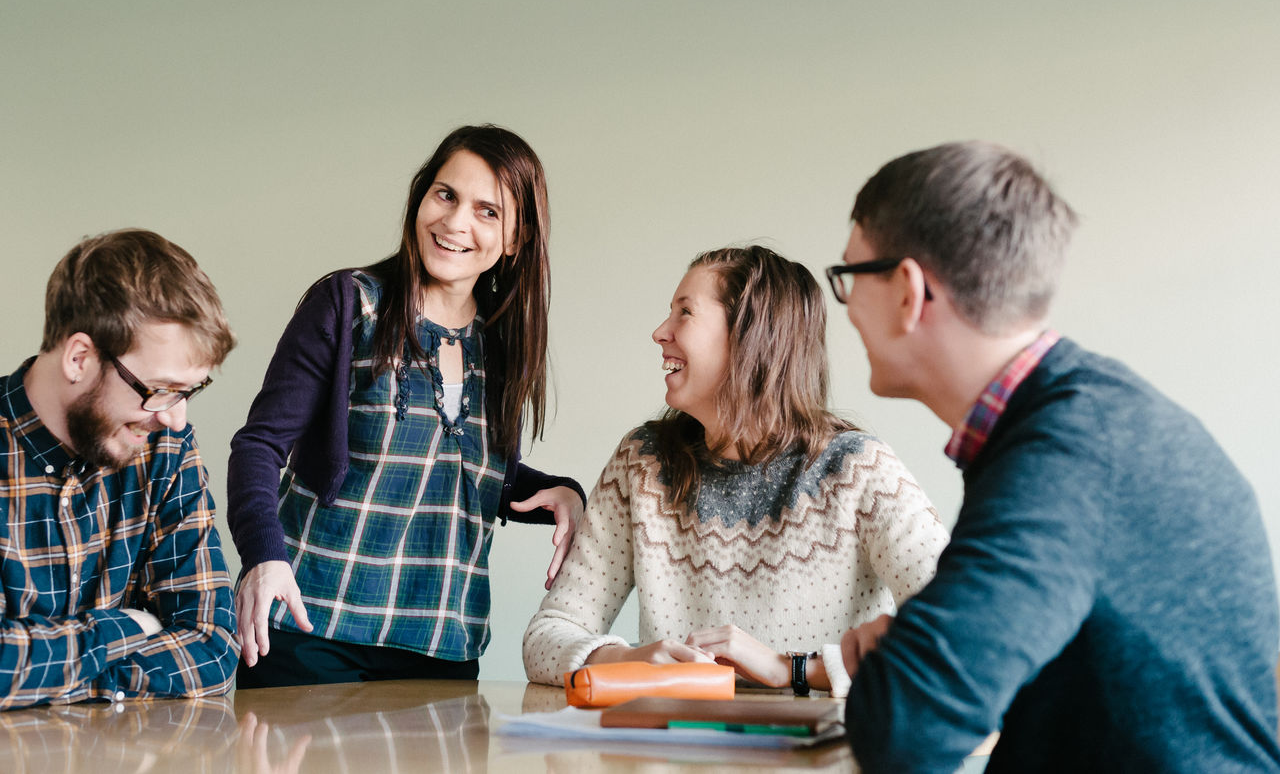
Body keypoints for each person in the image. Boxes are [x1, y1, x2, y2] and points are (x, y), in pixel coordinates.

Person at [832, 141, 1280, 772]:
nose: (845, 308)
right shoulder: (1097, 420)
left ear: (908, 291)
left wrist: (894, 662)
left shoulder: (1066, 458)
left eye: (849, 278)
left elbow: (907, 726)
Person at [228, 124, 586, 688]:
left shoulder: (502, 345)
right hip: (311, 631)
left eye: (487, 211)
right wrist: (262, 557)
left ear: (516, 239)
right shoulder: (348, 305)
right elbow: (259, 444)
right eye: (445, 194)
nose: (455, 222)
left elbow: (464, 471)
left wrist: (559, 494)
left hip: (442, 648)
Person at [523, 245, 948, 695]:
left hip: (821, 760)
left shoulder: (860, 469)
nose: (659, 332)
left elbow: (958, 634)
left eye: (685, 313)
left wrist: (790, 669)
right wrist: (627, 659)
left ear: (751, 337)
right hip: (675, 757)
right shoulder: (641, 462)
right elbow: (546, 636)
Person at [1, 229, 239, 710]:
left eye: (189, 391)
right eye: (159, 389)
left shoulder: (165, 448)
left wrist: (56, 677)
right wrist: (123, 629)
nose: (175, 417)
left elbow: (212, 647)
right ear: (80, 358)